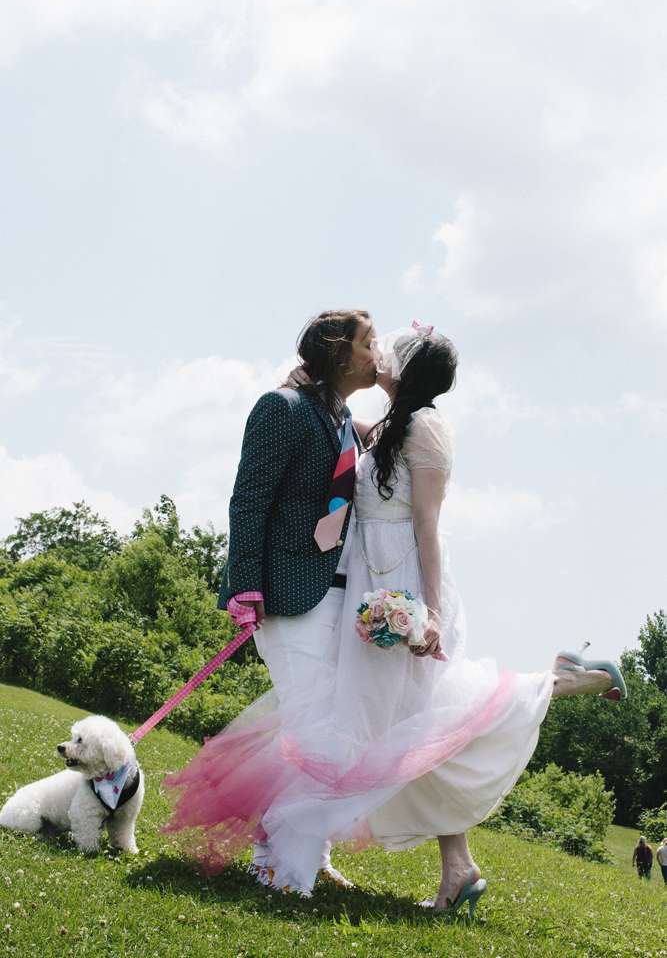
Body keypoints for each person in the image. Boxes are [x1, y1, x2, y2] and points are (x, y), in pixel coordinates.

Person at [163, 321, 626, 917]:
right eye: (370, 344)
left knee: (420, 716)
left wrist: (429, 612)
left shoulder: (426, 426)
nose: (379, 352)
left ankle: (557, 681)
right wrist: (310, 385)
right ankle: (452, 864)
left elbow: (428, 526)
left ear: (407, 370)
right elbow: (324, 439)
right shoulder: (379, 424)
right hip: (366, 585)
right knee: (401, 723)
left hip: (406, 587)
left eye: (389, 349)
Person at [163, 309, 377, 889]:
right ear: (339, 353)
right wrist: (245, 585)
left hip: (337, 598)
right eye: (369, 343)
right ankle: (272, 859)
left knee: (322, 727)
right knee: (314, 733)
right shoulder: (281, 407)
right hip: (286, 596)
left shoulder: (342, 417)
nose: (376, 354)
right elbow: (249, 499)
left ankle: (309, 850)